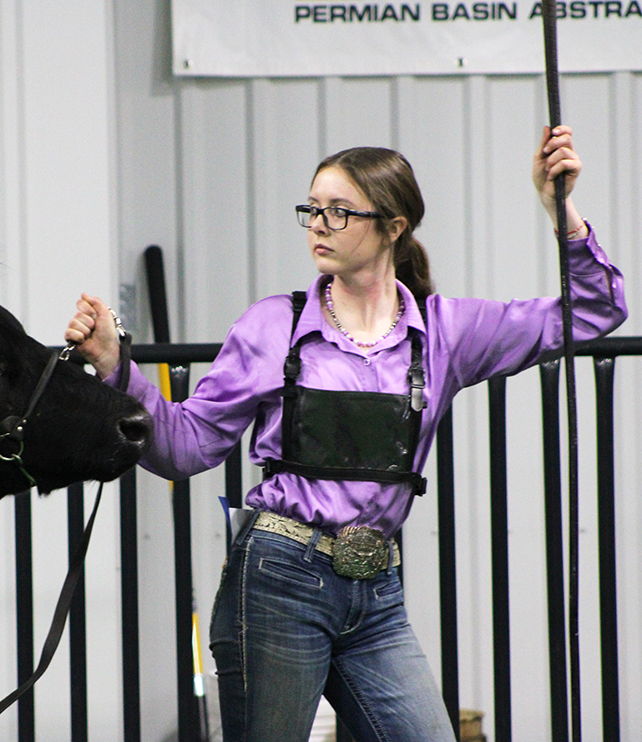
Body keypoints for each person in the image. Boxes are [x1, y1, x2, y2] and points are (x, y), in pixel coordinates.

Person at [65, 126, 626, 741]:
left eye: (339, 212)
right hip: (279, 579)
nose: (319, 225)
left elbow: (596, 307)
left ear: (394, 227)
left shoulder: (446, 332)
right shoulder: (273, 326)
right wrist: (118, 367)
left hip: (376, 590)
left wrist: (558, 207)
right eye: (312, 209)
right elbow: (186, 446)